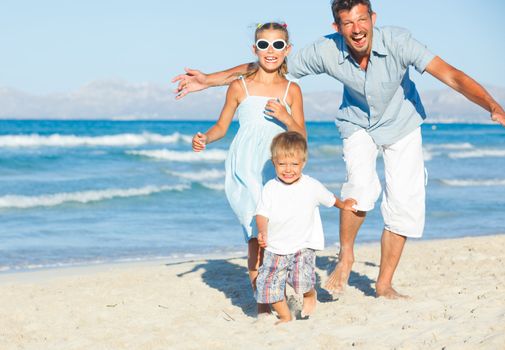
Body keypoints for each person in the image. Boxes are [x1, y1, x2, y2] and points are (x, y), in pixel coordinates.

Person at [173, 0, 505, 299]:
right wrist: (209, 80)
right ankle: (346, 254)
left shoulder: (400, 42)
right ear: (338, 27)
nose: (357, 29)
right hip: (357, 123)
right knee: (360, 189)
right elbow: (270, 64)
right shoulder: (326, 50)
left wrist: (491, 105)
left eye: (362, 20)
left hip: (403, 123)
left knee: (405, 202)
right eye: (348, 23)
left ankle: (384, 284)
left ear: (373, 18)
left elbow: (451, 75)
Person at [190, 22, 306, 314]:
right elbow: (221, 126)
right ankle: (264, 301)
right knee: (257, 234)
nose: (270, 51)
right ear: (254, 49)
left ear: (287, 50)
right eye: (264, 45)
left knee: (275, 234)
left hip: (274, 167)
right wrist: (205, 137)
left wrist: (284, 116)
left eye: (278, 45)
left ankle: (272, 292)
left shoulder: (292, 90)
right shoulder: (238, 86)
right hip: (245, 167)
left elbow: (301, 136)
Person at [255, 131, 356, 323]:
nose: (288, 169)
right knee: (270, 286)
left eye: (294, 164)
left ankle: (309, 294)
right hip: (275, 247)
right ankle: (285, 317)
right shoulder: (270, 187)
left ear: (303, 162)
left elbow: (330, 199)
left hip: (303, 244)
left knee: (301, 281)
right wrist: (263, 231)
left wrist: (344, 205)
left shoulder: (311, 185)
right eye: (282, 164)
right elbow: (261, 213)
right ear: (274, 162)